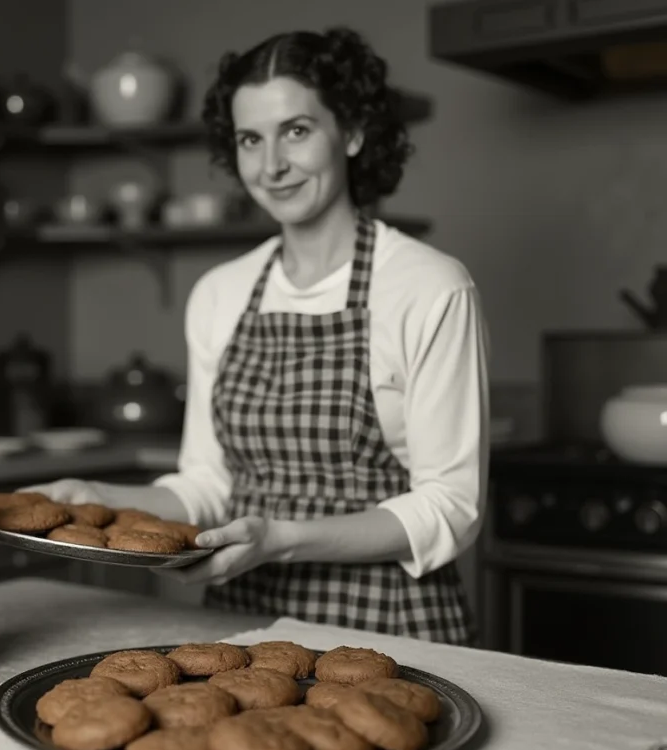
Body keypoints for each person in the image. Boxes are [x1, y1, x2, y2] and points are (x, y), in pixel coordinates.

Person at [24, 26, 490, 645]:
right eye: (250, 139)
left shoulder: (429, 287)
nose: (271, 166)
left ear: (350, 132)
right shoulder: (221, 292)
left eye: (296, 131)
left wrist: (282, 540)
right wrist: (97, 495)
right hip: (240, 624)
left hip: (391, 627)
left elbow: (450, 508)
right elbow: (210, 487)